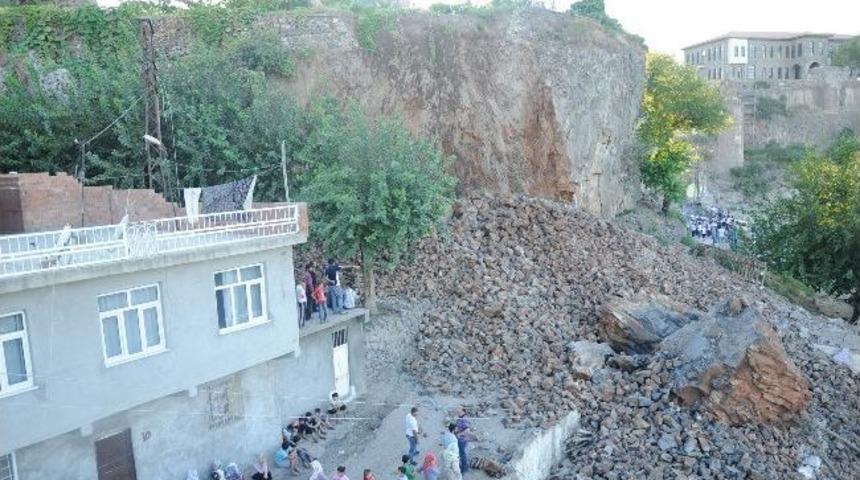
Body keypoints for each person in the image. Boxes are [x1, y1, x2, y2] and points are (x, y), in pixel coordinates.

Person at [454, 407, 472, 473]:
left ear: (463, 411)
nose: (457, 409)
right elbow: (458, 427)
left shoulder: (464, 419)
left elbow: (467, 430)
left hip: (462, 440)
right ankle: (463, 466)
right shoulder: (459, 417)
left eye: (459, 408)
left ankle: (464, 469)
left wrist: (459, 434)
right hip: (459, 439)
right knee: (460, 453)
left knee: (462, 454)